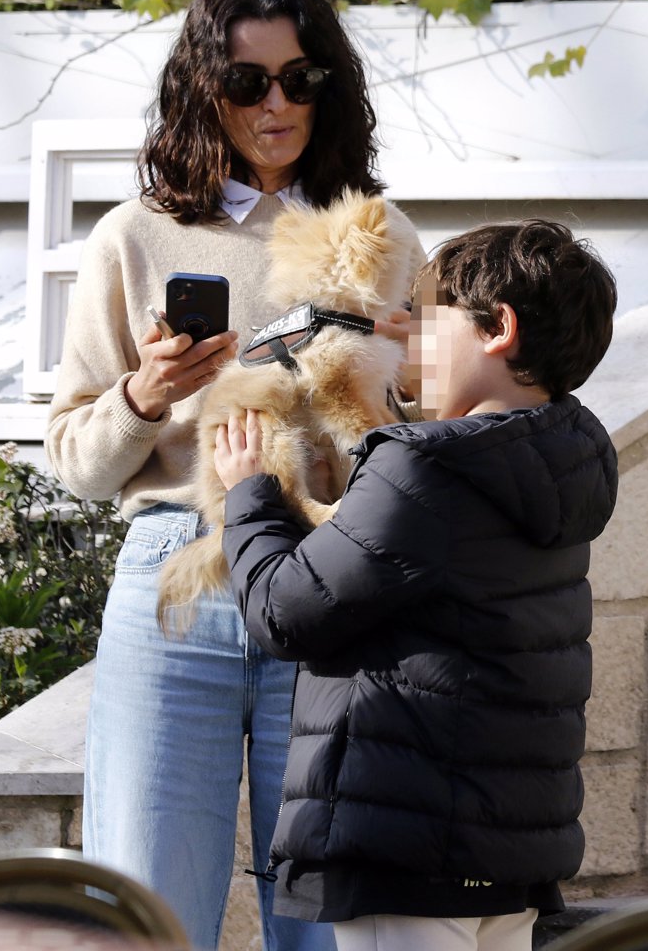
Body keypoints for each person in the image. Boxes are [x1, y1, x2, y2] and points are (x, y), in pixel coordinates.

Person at [44, 0, 425, 951]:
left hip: (328, 577)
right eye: (250, 81)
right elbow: (78, 462)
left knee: (326, 918)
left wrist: (384, 391)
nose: (276, 105)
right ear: (203, 84)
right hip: (179, 580)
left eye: (302, 80)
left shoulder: (376, 236)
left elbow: (419, 439)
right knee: (147, 910)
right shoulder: (135, 236)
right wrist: (147, 394)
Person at [213, 219, 620, 951]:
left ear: (498, 329)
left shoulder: (423, 468)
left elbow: (285, 612)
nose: (407, 343)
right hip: (505, 858)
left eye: (428, 322)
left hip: (403, 848)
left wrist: (250, 495)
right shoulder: (565, 459)